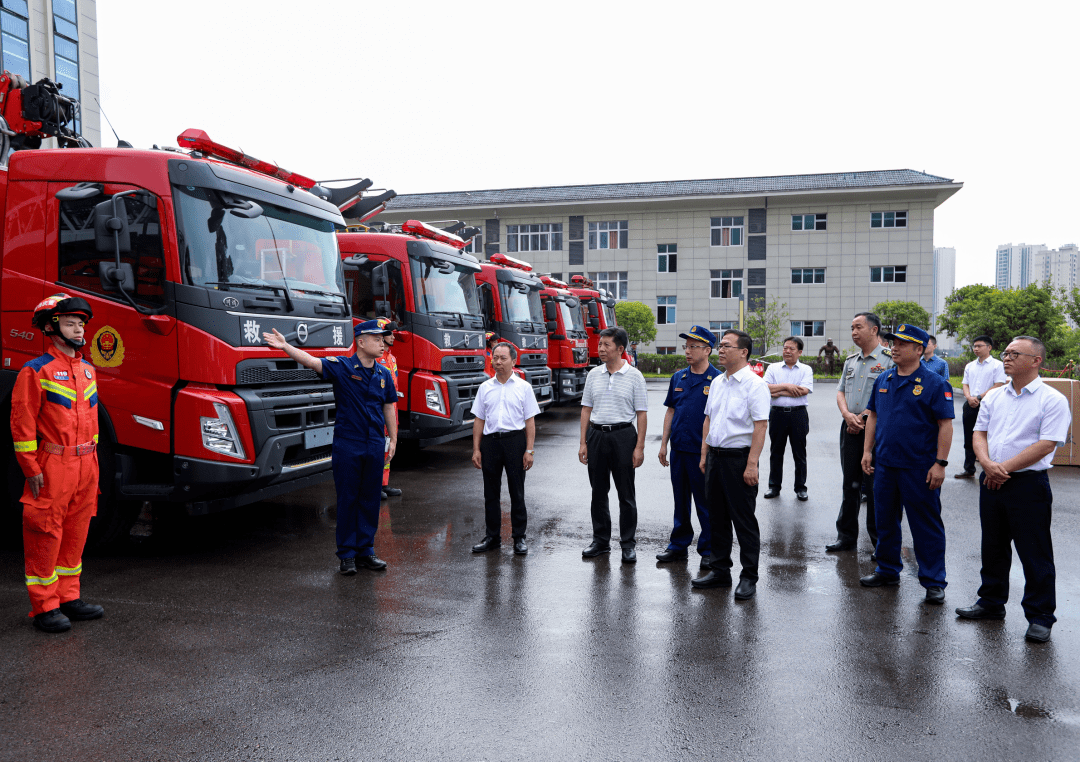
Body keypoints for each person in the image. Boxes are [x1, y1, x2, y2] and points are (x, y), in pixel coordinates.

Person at [956, 336, 1071, 643]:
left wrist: (1002, 468)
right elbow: (978, 433)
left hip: (1027, 484)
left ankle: (1040, 616)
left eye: (1014, 354)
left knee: (1035, 552)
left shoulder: (1052, 400)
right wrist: (986, 464)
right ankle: (991, 603)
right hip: (991, 479)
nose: (1006, 358)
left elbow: (1047, 444)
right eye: (1005, 353)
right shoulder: (995, 397)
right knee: (992, 546)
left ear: (1036, 361)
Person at [264, 319, 397, 574]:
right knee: (348, 499)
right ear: (361, 342)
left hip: (374, 444)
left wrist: (393, 438)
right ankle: (347, 555)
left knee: (370, 499)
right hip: (349, 443)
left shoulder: (383, 374)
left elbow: (389, 406)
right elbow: (311, 361)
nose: (382, 343)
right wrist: (285, 346)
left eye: (383, 339)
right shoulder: (343, 367)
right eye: (377, 339)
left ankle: (366, 551)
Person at [12, 294, 104, 633]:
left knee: (76, 533)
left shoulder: (88, 370)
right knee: (45, 533)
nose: (79, 329)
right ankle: (45, 606)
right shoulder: (35, 371)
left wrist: (94, 467)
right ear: (51, 328)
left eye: (81, 324)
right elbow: (21, 423)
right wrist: (31, 468)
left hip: (86, 465)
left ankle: (69, 597)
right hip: (52, 464)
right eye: (71, 323)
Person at [859, 324, 954, 604]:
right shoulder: (884, 379)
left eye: (901, 344)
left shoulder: (936, 383)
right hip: (886, 464)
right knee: (885, 521)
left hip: (919, 467)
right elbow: (873, 416)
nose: (894, 348)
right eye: (893, 343)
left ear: (919, 349)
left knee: (925, 525)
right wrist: (867, 451)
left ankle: (934, 581)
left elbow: (945, 425)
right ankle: (887, 569)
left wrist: (940, 463)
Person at [690, 329, 771, 598]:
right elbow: (708, 420)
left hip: (739, 460)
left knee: (744, 520)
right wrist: (704, 455)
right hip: (714, 457)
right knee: (717, 518)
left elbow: (760, 427)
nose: (721, 349)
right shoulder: (717, 383)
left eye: (726, 345)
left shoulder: (754, 384)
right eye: (720, 345)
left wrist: (752, 465)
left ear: (743, 352)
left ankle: (749, 577)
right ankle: (720, 570)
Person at [579, 326, 648, 563]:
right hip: (596, 435)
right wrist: (583, 442)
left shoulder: (635, 376)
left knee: (626, 494)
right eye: (600, 344)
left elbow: (641, 414)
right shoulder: (593, 375)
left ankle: (628, 544)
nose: (601, 349)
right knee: (598, 492)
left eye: (606, 345)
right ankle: (600, 541)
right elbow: (586, 409)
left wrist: (639, 447)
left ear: (620, 349)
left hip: (623, 437)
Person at [827, 312, 893, 554]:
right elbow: (841, 391)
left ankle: (879, 543)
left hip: (875, 431)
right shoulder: (851, 360)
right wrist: (847, 415)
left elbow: (889, 396)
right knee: (850, 484)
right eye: (851, 328)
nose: (853, 332)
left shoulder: (888, 360)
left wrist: (864, 416)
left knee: (875, 487)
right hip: (850, 428)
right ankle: (846, 537)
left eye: (858, 327)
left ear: (874, 330)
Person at [657, 325, 719, 566]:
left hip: (702, 452)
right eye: (686, 346)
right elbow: (671, 410)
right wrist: (663, 444)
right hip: (679, 450)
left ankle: (708, 550)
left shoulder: (717, 380)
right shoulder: (678, 377)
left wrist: (707, 452)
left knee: (705, 503)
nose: (688, 351)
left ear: (707, 350)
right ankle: (678, 545)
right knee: (680, 501)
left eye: (694, 346)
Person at [470, 342, 541, 555]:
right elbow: (479, 420)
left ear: (513, 361)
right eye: (495, 358)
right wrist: (476, 449)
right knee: (490, 493)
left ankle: (519, 538)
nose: (498, 362)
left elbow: (530, 422)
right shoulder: (485, 388)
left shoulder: (523, 387)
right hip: (490, 442)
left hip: (515, 442)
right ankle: (492, 537)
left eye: (503, 358)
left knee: (516, 492)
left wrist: (529, 450)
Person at [763, 336, 814, 501]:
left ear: (799, 352)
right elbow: (765, 389)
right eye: (785, 348)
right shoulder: (773, 368)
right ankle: (774, 487)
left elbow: (804, 390)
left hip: (798, 414)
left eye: (791, 348)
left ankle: (801, 488)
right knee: (776, 452)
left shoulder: (806, 369)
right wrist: (788, 387)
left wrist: (777, 391)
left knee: (799, 453)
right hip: (777, 414)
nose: (787, 351)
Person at [956, 335, 1006, 478]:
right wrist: (969, 397)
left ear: (989, 347)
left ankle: (991, 469)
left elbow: (998, 385)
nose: (976, 348)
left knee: (990, 437)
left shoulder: (997, 365)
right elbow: (965, 384)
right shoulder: (970, 366)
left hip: (989, 405)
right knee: (969, 437)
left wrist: (978, 397)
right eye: (974, 346)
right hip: (970, 405)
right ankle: (969, 468)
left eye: (979, 346)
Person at [376, 326, 402, 498]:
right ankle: (375, 485)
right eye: (390, 334)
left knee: (388, 447)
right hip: (381, 409)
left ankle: (384, 484)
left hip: (392, 408)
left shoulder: (391, 358)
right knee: (378, 447)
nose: (393, 337)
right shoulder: (377, 359)